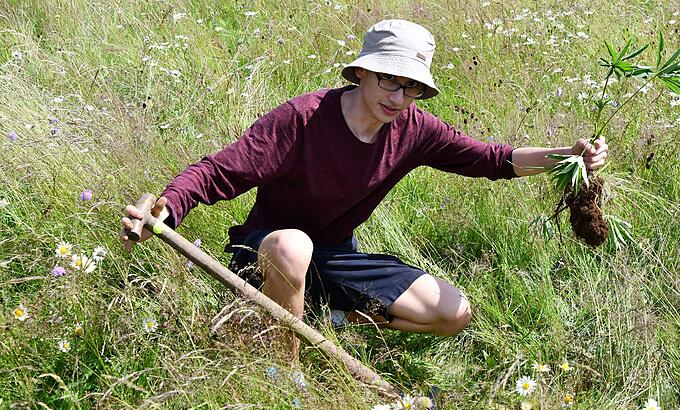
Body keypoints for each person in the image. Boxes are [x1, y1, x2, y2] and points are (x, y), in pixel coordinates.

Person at [120, 19, 607, 360]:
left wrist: (569, 158)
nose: (398, 98)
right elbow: (220, 170)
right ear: (361, 72)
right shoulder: (303, 120)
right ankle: (281, 371)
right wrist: (168, 205)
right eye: (388, 80)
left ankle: (324, 319)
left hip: (335, 256)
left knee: (453, 312)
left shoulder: (415, 129)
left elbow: (493, 159)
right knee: (293, 243)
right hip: (268, 251)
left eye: (412, 86)